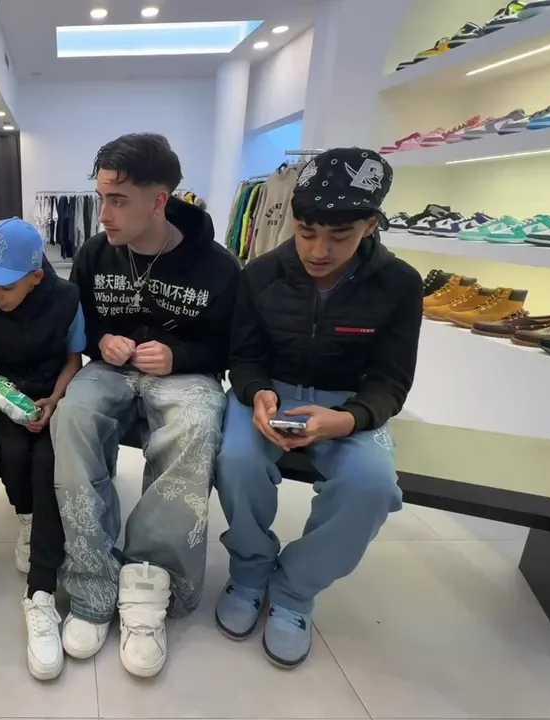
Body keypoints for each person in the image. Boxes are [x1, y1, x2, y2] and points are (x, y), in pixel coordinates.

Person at [214, 148, 423, 668]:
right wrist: (256, 393)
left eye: (339, 236)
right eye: (307, 233)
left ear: (370, 226)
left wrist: (348, 418)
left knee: (371, 486)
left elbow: (392, 380)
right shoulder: (260, 274)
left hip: (348, 402)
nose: (318, 250)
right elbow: (244, 357)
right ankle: (249, 572)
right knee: (235, 460)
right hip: (271, 393)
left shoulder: (400, 284)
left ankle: (293, 590)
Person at [50, 133, 241, 678]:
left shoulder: (218, 267)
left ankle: (150, 582)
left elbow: (233, 347)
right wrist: (101, 339)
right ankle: (91, 578)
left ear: (159, 200)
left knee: (198, 425)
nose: (103, 214)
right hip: (110, 370)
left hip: (186, 375)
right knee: (72, 416)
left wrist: (181, 354)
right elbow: (82, 324)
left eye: (118, 200)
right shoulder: (94, 254)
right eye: (101, 198)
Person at [0, 218, 86, 681]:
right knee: (11, 453)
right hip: (7, 399)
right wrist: (1, 390)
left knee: (48, 460)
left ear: (35, 276)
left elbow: (74, 358)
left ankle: (41, 584)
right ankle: (28, 518)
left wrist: (54, 399)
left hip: (55, 393)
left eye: (7, 285)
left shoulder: (66, 299)